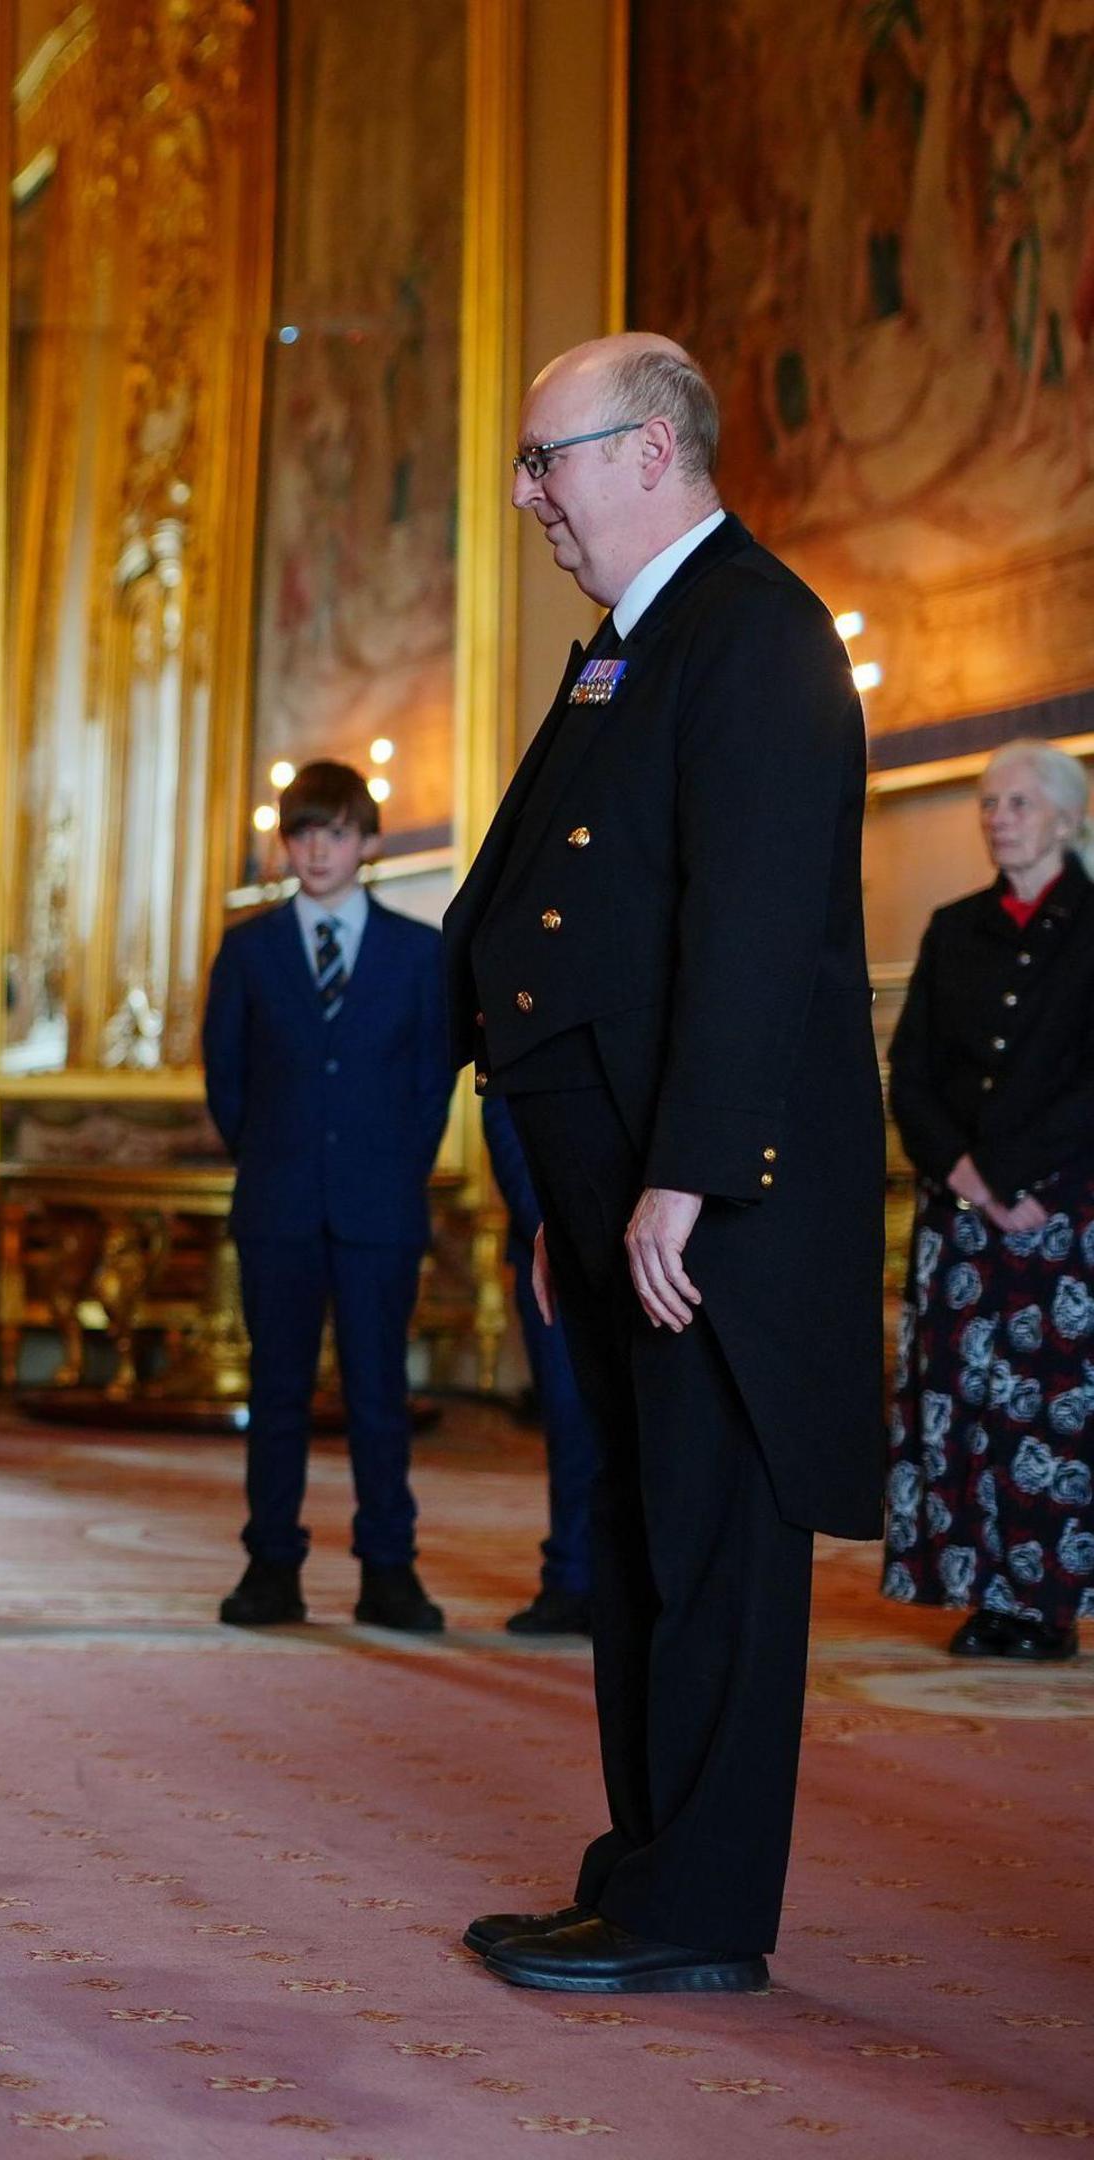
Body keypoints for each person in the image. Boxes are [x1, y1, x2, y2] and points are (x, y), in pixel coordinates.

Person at [445, 334, 882, 1995]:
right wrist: (573, 1192)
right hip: (621, 1189)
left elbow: (756, 940)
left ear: (653, 454)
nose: (526, 495)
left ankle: (697, 1916)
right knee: (639, 1543)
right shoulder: (638, 647)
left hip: (707, 1203)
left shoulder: (755, 635)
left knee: (710, 1549)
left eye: (547, 459)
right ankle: (644, 1875)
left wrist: (683, 1177)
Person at [199, 760, 453, 1633]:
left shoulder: (420, 954)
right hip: (278, 1206)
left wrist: (384, 1170)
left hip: (380, 1210)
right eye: (302, 833)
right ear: (286, 844)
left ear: (369, 843)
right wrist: (278, 1159)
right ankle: (272, 1565)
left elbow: (430, 1088)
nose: (317, 849)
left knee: (380, 1397)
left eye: (335, 832)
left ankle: (390, 1570)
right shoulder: (250, 949)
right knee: (277, 1395)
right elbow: (226, 1083)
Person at [881, 739, 1094, 1662]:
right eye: (987, 803)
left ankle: (1046, 1603)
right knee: (964, 1407)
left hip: (1067, 1220)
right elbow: (911, 1073)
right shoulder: (952, 925)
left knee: (1053, 1411)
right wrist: (965, 1175)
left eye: (1016, 803)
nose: (998, 817)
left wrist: (1022, 1182)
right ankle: (983, 1592)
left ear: (1066, 815)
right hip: (962, 1218)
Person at [486, 1097, 601, 1636]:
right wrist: (547, 1226)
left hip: (661, 1237)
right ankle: (570, 1580)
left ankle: (648, 1586)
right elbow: (505, 1109)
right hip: (546, 1245)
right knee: (569, 1417)